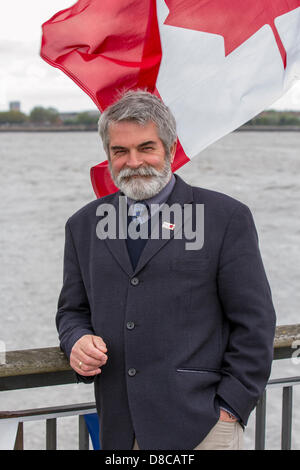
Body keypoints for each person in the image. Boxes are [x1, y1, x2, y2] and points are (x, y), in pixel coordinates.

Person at [56, 90, 276, 450]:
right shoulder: (82, 225)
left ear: (170, 150)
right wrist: (76, 340)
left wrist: (231, 407)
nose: (133, 161)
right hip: (119, 428)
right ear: (108, 155)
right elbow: (72, 311)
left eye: (146, 148)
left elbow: (255, 322)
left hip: (203, 428)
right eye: (120, 151)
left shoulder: (225, 218)